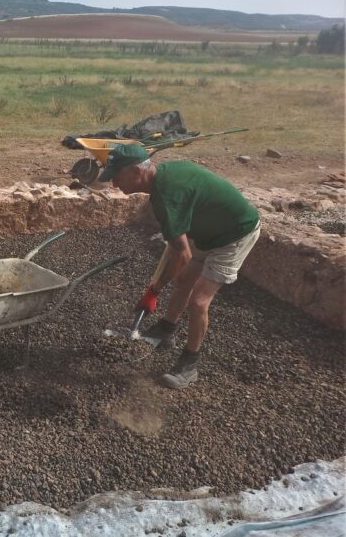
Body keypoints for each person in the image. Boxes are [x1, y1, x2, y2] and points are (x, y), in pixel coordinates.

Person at [99, 144, 260, 389]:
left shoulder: (165, 198)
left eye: (115, 177)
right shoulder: (165, 174)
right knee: (183, 281)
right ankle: (166, 329)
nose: (113, 185)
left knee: (198, 301)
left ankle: (189, 364)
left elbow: (182, 257)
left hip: (234, 235)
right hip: (206, 232)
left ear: (135, 172)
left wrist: (154, 291)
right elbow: (177, 246)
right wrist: (159, 285)